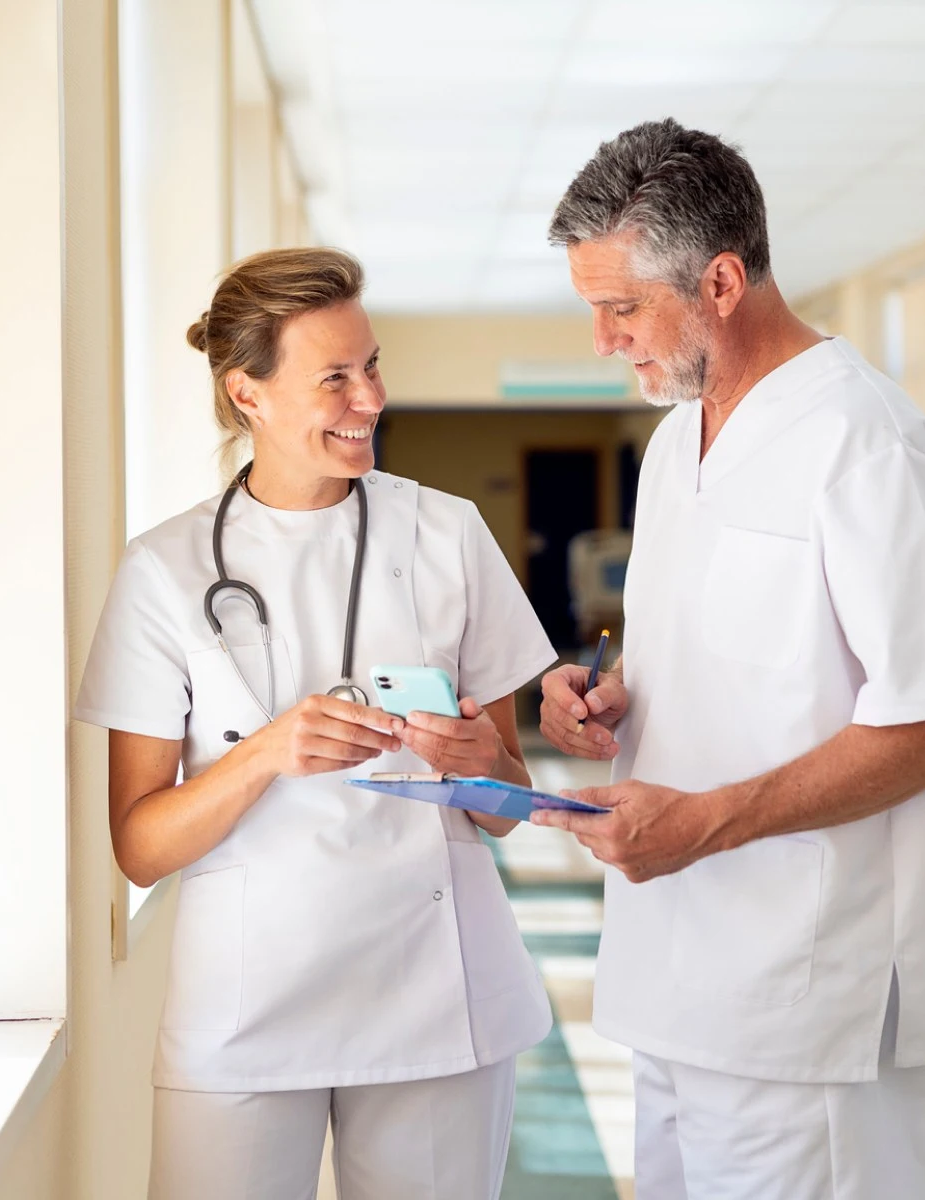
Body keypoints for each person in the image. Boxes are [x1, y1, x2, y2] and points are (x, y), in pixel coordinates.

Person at [534, 119, 925, 1200]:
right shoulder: (673, 445)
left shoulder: (866, 443)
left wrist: (706, 820)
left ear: (719, 279)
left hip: (810, 1000)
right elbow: (731, 661)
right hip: (672, 977)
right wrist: (605, 702)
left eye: (621, 309)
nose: (604, 342)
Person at [75, 247, 556, 1200]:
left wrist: (480, 761)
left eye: (371, 365)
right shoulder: (163, 573)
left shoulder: (448, 533)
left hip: (435, 999)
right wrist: (261, 756)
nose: (369, 398)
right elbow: (138, 845)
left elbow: (510, 805)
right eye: (334, 377)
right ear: (246, 391)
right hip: (248, 1009)